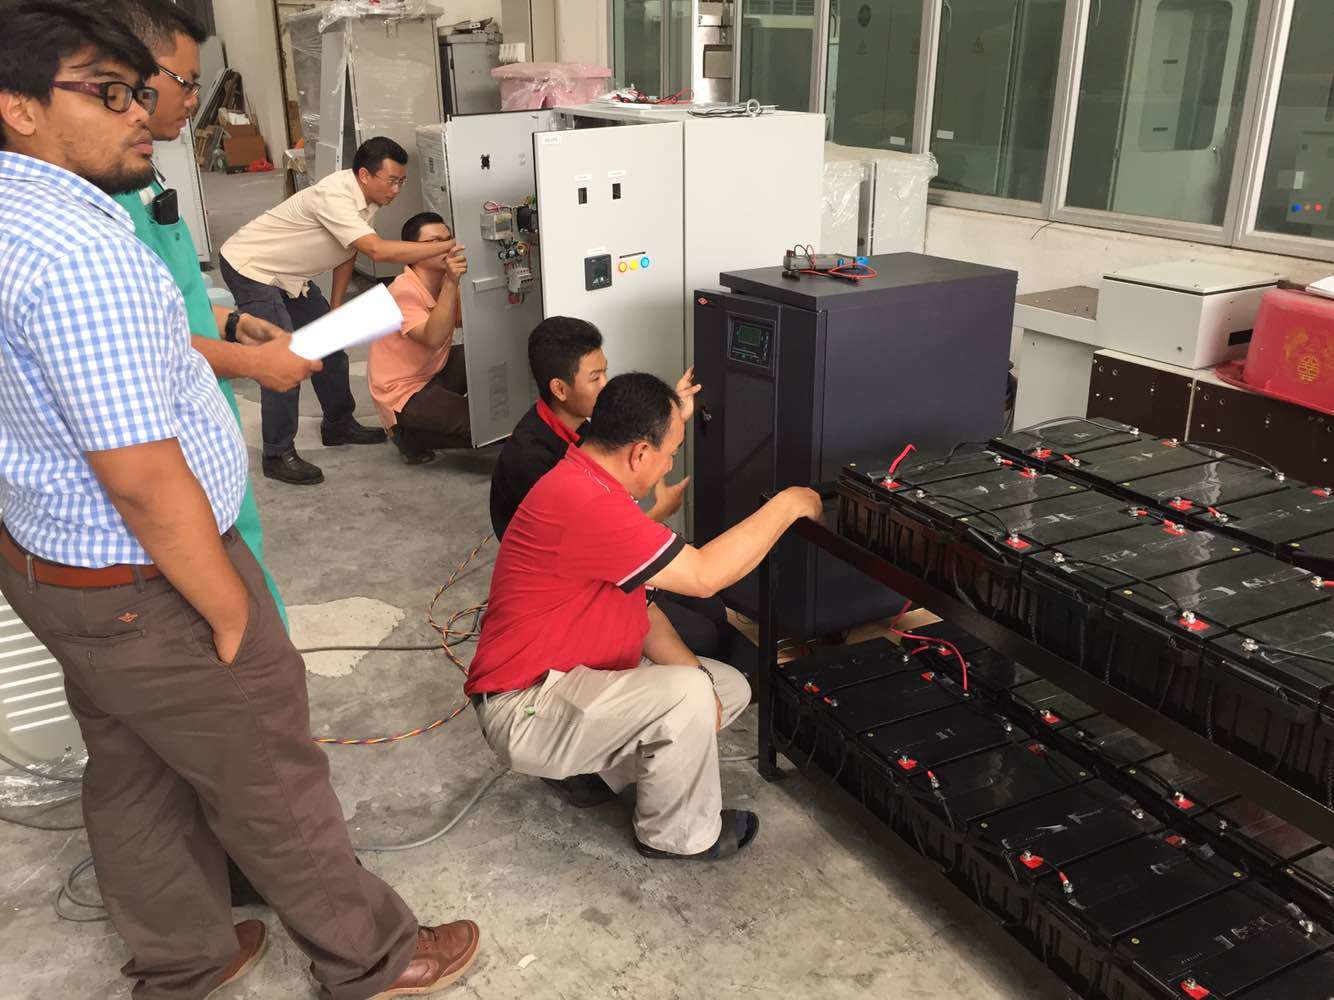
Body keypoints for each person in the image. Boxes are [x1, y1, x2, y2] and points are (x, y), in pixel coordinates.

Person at [0, 4, 479, 997]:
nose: (145, 112)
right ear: (19, 108)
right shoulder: (79, 251)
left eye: (146, 88)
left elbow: (119, 361)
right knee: (270, 774)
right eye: (111, 90)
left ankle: (184, 960)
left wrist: (248, 356)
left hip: (56, 568)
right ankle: (376, 958)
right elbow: (138, 472)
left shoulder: (29, 220)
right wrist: (222, 602)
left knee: (131, 768)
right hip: (152, 580)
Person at [467, 373, 822, 859]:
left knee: (723, 687)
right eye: (670, 452)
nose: (670, 464)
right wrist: (788, 505)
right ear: (638, 453)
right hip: (524, 705)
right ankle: (677, 836)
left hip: (566, 681)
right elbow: (704, 576)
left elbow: (645, 609)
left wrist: (697, 677)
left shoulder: (590, 479)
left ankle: (591, 770)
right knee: (687, 696)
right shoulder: (587, 503)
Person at [108, 0, 313, 627]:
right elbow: (133, 344)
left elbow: (174, 300)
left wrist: (228, 323)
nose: (195, 97)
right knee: (229, 616)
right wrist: (254, 363)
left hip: (206, 427)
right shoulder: (96, 211)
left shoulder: (144, 177)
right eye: (185, 81)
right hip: (167, 455)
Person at [488, 317, 756, 682]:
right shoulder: (532, 462)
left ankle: (722, 675)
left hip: (607, 557)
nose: (605, 386)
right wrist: (661, 511)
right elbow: (596, 538)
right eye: (595, 378)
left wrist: (669, 414)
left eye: (605, 373)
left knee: (710, 608)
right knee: (702, 630)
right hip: (580, 587)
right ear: (560, 388)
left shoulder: (586, 429)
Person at [220, 136, 455, 486]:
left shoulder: (369, 200)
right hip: (252, 268)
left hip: (291, 275)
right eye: (391, 180)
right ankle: (277, 453)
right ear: (364, 175)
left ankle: (338, 424)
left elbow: (349, 252)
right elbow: (375, 250)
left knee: (331, 348)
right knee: (283, 358)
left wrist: (334, 307)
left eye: (401, 181)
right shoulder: (335, 197)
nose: (396, 189)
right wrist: (447, 246)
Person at [369, 212, 471, 465]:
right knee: (486, 425)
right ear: (411, 252)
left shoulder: (441, 283)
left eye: (448, 240)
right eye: (435, 242)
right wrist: (451, 283)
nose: (446, 248)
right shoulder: (401, 290)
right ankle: (409, 436)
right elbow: (434, 337)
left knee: (482, 353)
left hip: (432, 372)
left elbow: (464, 321)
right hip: (404, 393)